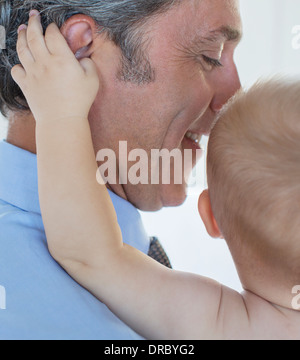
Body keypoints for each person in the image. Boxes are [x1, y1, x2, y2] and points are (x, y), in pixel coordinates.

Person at [12, 12, 300, 340]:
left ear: (213, 215)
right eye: (210, 56)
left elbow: (91, 255)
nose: (232, 93)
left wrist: (61, 114)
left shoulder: (225, 323)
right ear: (80, 47)